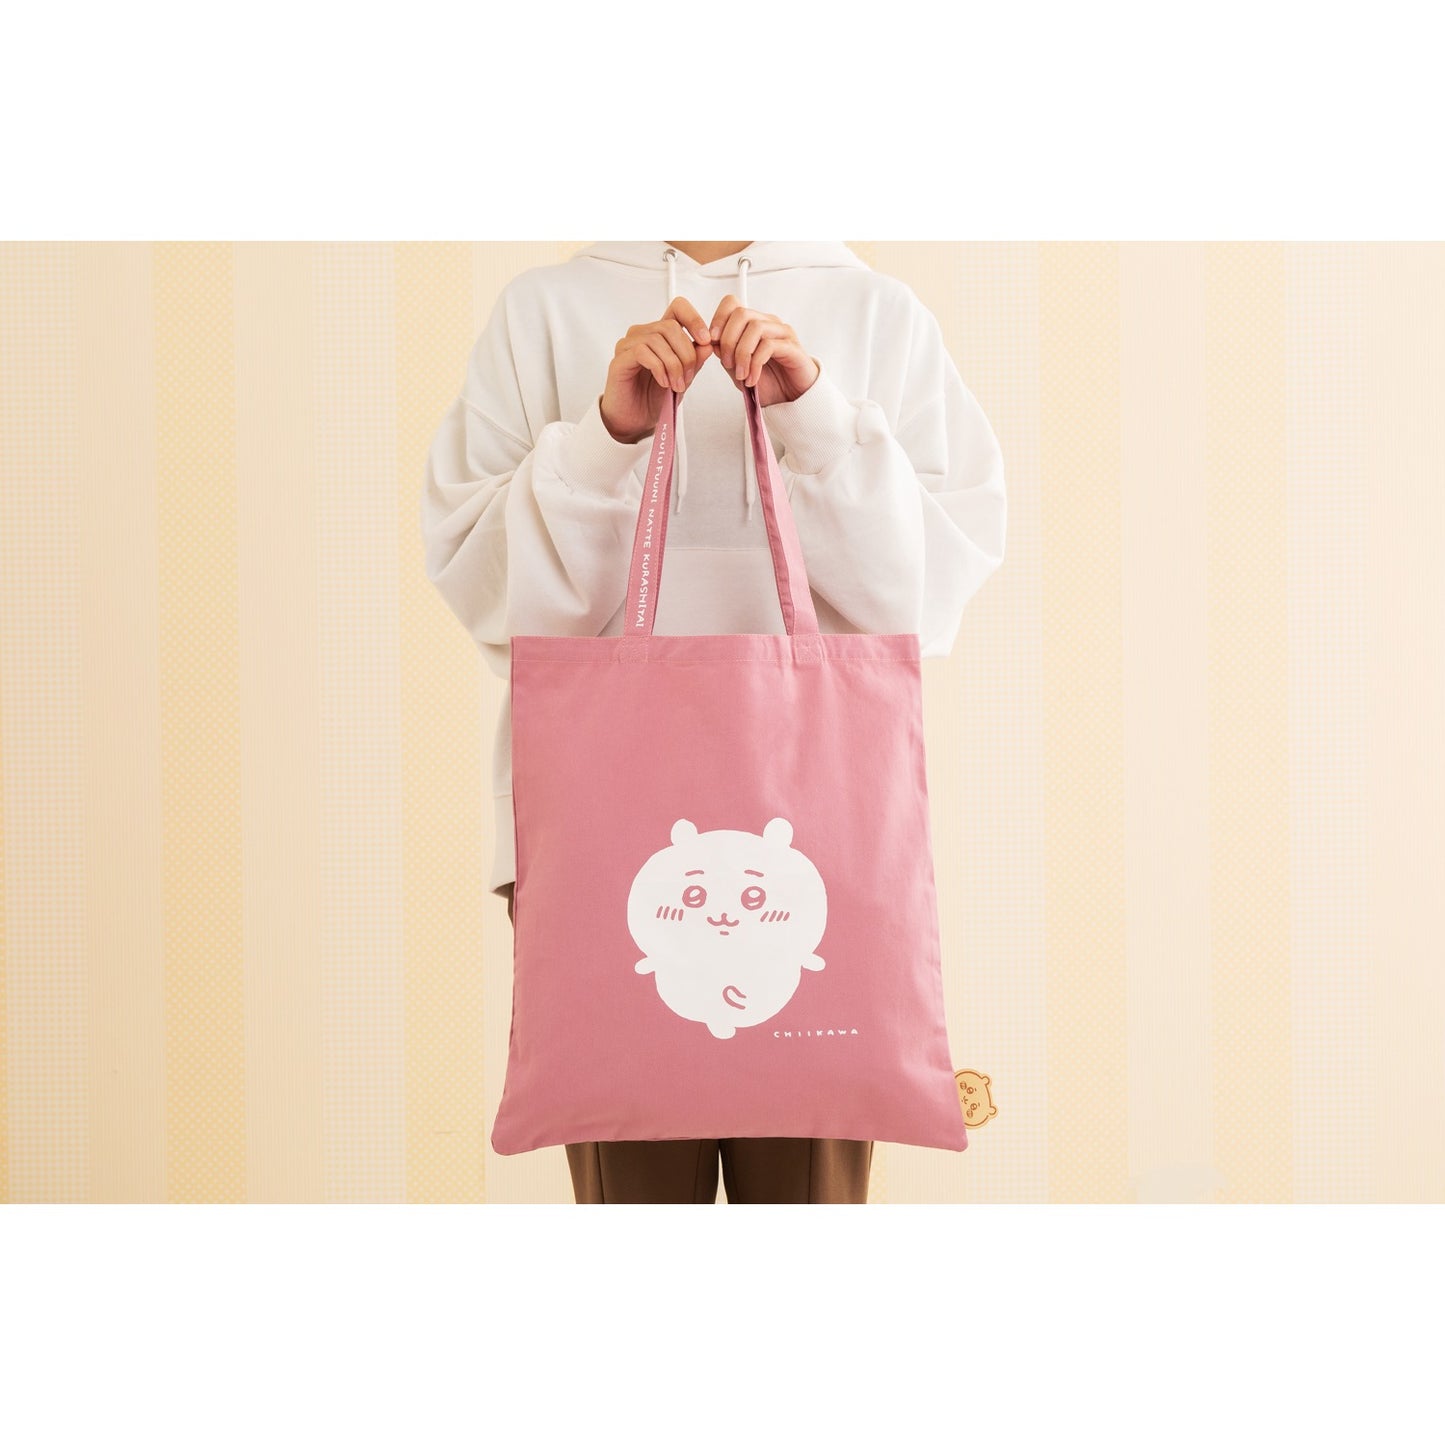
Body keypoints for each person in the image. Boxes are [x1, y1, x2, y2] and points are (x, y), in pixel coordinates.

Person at [421, 240, 1007, 1203]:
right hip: (599, 838)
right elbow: (488, 594)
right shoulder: (542, 314)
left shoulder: (877, 314)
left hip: (822, 841)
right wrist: (607, 437)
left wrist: (813, 418)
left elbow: (924, 597)